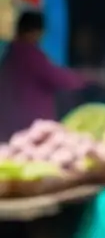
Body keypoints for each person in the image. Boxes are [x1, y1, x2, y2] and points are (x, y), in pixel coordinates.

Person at [0, 10, 85, 141]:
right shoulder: (29, 54)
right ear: (36, 32)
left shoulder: (10, 54)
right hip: (29, 126)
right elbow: (60, 79)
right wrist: (86, 77)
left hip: (9, 124)